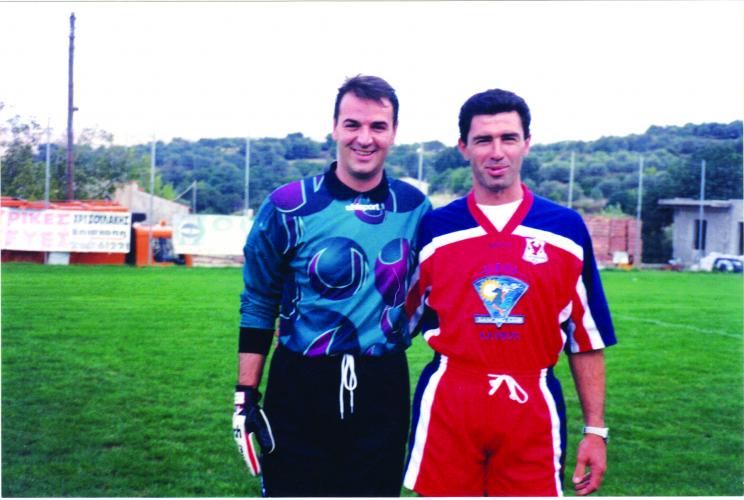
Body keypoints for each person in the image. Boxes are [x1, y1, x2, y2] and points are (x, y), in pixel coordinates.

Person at [403, 88, 616, 496]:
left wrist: (595, 430)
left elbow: (585, 339)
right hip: (450, 399)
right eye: (483, 140)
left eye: (509, 138)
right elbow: (397, 323)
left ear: (527, 143)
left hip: (532, 400)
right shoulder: (435, 229)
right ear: (464, 147)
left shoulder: (566, 229)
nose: (496, 152)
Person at [232, 75, 431, 497]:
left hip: (382, 384)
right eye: (352, 124)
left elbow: (434, 292)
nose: (365, 138)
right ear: (335, 127)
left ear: (394, 132)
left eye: (378, 126)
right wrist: (245, 393)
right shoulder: (288, 206)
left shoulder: (414, 208)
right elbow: (259, 301)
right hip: (300, 382)